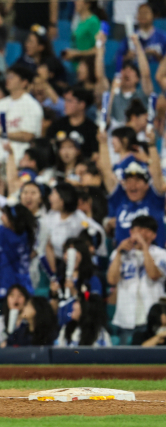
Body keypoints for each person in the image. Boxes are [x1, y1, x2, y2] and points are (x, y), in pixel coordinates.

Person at [98, 129, 165, 247]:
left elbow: (157, 174)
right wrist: (103, 143)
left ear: (146, 184)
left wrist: (152, 145)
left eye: (137, 181)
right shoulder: (120, 197)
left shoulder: (154, 197)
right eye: (128, 181)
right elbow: (106, 172)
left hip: (154, 257)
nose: (132, 185)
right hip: (125, 259)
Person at [108, 216, 166, 345]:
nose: (142, 234)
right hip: (126, 318)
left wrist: (144, 247)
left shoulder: (161, 254)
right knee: (125, 362)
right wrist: (118, 252)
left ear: (154, 235)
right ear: (131, 232)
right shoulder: (118, 254)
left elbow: (153, 275)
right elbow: (112, 280)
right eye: (139, 230)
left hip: (151, 318)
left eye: (147, 231)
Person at [0, 65, 42, 165]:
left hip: (21, 161)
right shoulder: (1, 104)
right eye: (7, 76)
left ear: (24, 82)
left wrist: (2, 133)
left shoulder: (31, 105)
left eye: (12, 77)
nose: (8, 79)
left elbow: (28, 136)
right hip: (0, 159)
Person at [109, 42, 154, 128]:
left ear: (137, 79)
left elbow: (146, 76)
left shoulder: (143, 94)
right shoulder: (114, 95)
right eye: (125, 69)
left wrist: (138, 46)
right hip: (118, 133)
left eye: (131, 70)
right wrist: (113, 91)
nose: (127, 71)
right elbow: (107, 115)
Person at [46, 87, 98, 158]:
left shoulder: (92, 130)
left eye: (69, 101)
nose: (65, 104)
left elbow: (94, 156)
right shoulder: (57, 125)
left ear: (82, 105)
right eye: (65, 101)